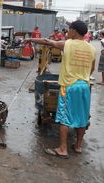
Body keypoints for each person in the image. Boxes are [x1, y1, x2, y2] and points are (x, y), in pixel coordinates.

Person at [27, 20, 96, 158]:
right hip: (84, 87)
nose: (68, 32)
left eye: (69, 30)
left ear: (74, 31)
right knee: (82, 118)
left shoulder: (68, 44)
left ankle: (62, 149)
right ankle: (77, 146)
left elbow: (47, 41)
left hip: (69, 87)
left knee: (64, 118)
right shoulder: (92, 48)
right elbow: (91, 69)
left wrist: (30, 39)